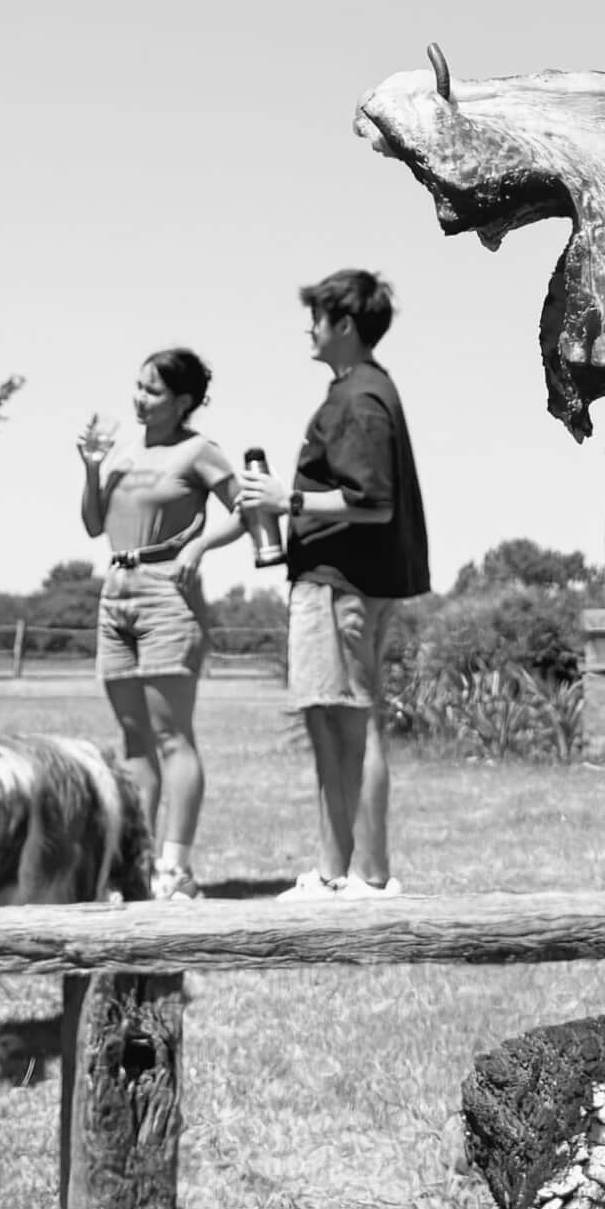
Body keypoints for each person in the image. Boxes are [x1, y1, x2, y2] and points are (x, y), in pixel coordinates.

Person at [240, 269, 428, 898]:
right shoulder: (363, 391)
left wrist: (286, 499)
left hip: (339, 584)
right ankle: (339, 873)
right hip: (346, 582)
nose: (309, 331)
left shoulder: (358, 399)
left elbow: (373, 502)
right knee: (335, 721)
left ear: (344, 325)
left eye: (316, 319)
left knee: (348, 722)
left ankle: (363, 878)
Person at [77, 349, 244, 895]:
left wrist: (198, 546)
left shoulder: (199, 451)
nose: (140, 399)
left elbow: (248, 510)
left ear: (183, 400)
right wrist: (92, 468)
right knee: (133, 739)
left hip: (166, 594)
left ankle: (175, 868)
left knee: (172, 736)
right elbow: (94, 525)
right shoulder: (123, 454)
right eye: (138, 387)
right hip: (116, 592)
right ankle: (136, 866)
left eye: (153, 391)